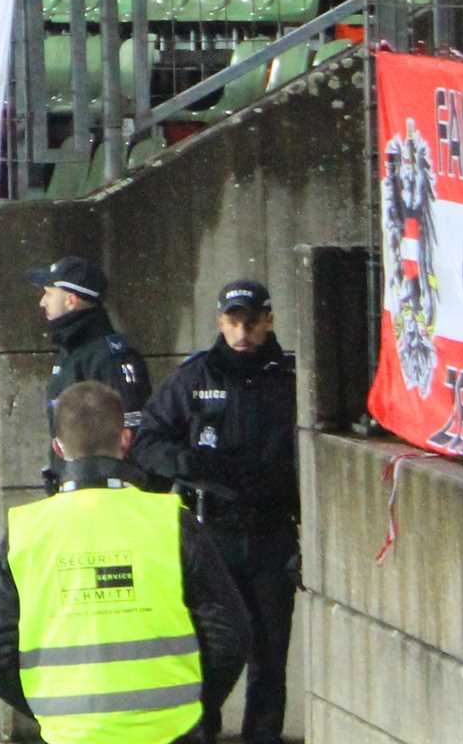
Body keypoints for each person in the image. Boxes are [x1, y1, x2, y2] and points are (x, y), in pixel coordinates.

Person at [0, 378, 251, 744]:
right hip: (169, 730)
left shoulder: (25, 531)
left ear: (58, 447)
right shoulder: (170, 521)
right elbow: (230, 633)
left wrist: (51, 709)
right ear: (125, 439)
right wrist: (195, 706)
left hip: (71, 734)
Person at [133, 281, 302, 744]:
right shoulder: (195, 377)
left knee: (270, 655)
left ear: (268, 321)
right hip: (212, 535)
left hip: (271, 533)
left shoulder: (290, 379)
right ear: (220, 322)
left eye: (251, 322)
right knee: (208, 647)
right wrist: (187, 464)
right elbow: (147, 442)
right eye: (233, 322)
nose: (242, 332)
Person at [35, 254, 153, 445]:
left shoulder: (110, 357)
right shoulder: (70, 348)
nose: (42, 302)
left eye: (48, 293)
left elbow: (132, 434)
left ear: (71, 300)